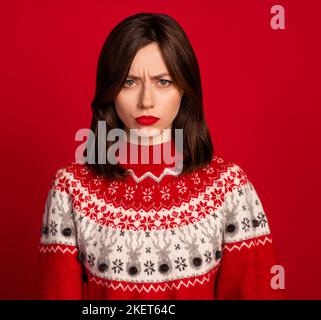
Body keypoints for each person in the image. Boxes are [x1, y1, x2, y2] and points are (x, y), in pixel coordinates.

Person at [36, 12, 285, 300]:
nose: (146, 100)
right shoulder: (71, 188)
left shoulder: (228, 187)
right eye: (129, 82)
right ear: (110, 90)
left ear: (185, 89)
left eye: (163, 82)